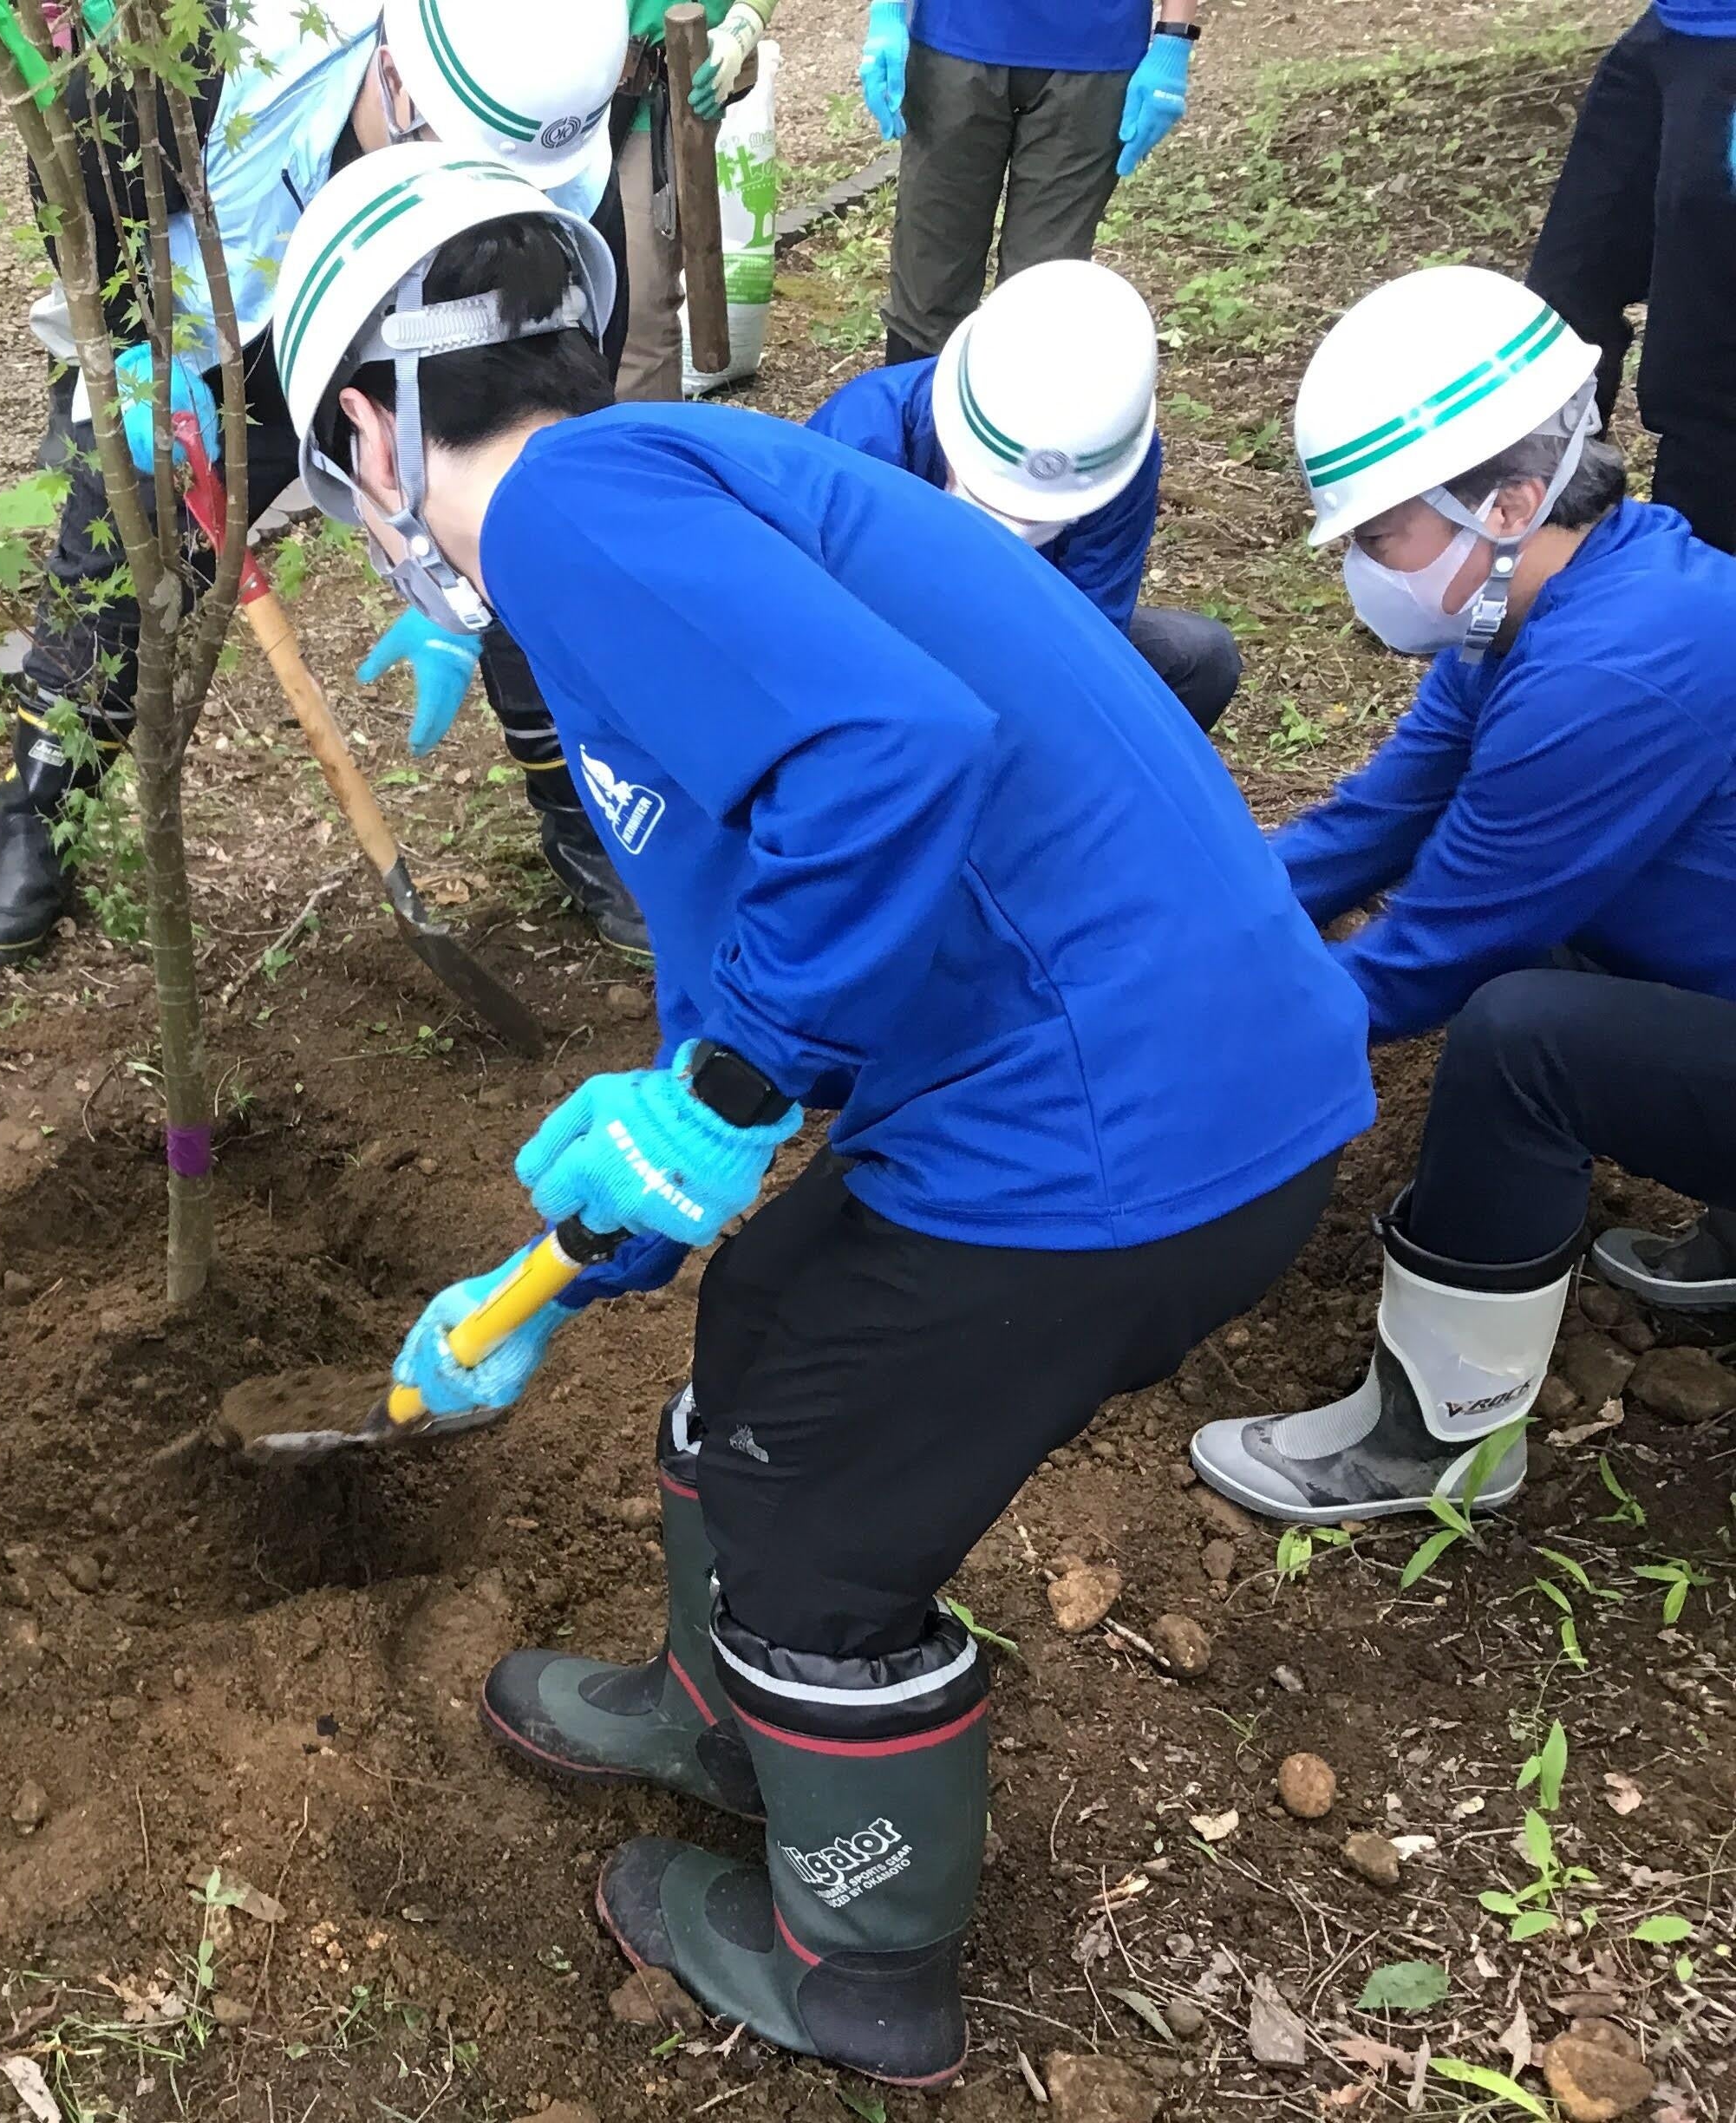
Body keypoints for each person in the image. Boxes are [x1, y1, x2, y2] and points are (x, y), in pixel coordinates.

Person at [270, 144, 1372, 2084]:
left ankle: (862, 1950)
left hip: (1119, 1119)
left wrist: (717, 1090)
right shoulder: (654, 495)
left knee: (811, 1522)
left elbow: (892, 750)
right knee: (762, 1317)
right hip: (1139, 1066)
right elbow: (752, 918)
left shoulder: (576, 510)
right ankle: (724, 1709)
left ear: (370, 422)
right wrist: (602, 1229)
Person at [1191, 268, 1736, 1527]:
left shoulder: (1616, 673)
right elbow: (1372, 825)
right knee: (1563, 970)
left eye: (1383, 535)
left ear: (1506, 499)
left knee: (1522, 1035)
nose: (1366, 570)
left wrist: (1176, 1031)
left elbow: (1421, 960)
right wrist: (1183, 922)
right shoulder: (1541, 605)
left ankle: (1437, 1438)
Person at [0, 0, 657, 966]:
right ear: (396, 76)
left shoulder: (552, 126)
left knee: (530, 519)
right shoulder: (213, 55)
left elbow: (564, 403)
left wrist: (467, 585)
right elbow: (77, 187)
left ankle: (581, 812)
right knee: (124, 550)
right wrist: (124, 360)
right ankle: (37, 809)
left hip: (421, 342)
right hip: (230, 340)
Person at [806, 256, 1239, 729]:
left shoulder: (1112, 449)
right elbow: (814, 634)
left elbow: (1091, 636)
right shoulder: (857, 442)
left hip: (1027, 646)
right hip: (880, 669)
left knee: (1201, 659)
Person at [857, 0, 1201, 363]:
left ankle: (1015, 414)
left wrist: (1173, 40)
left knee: (1040, 295)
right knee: (928, 279)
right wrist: (888, 12)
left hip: (1096, 58)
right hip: (954, 43)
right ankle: (914, 415)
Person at [1524, 3, 1736, 554]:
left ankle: (1702, 591)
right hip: (1675, 27)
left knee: (1702, 369)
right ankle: (1538, 550)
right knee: (1561, 312)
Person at [610, 0, 780, 403]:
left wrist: (743, 26)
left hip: (642, 95)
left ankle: (642, 455)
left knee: (639, 310)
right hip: (529, 89)